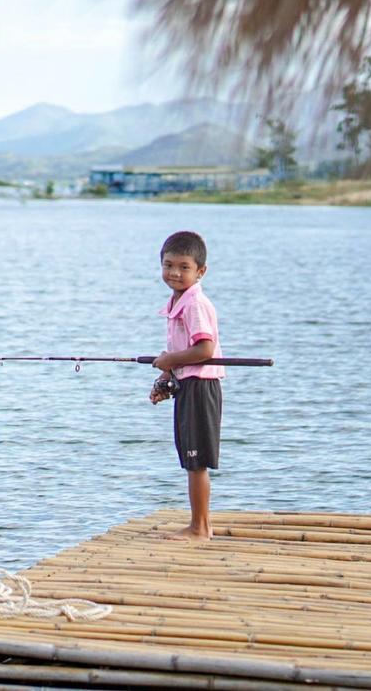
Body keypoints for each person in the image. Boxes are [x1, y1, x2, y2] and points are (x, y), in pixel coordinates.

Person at [149, 230, 224, 541]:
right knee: (190, 460)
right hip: (187, 384)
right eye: (168, 266)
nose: (174, 273)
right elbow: (180, 352)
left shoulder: (195, 304)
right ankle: (198, 524)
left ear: (200, 271)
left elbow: (204, 350)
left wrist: (169, 361)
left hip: (201, 386)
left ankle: (200, 528)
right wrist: (166, 377)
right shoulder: (177, 302)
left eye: (183, 267)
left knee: (197, 462)